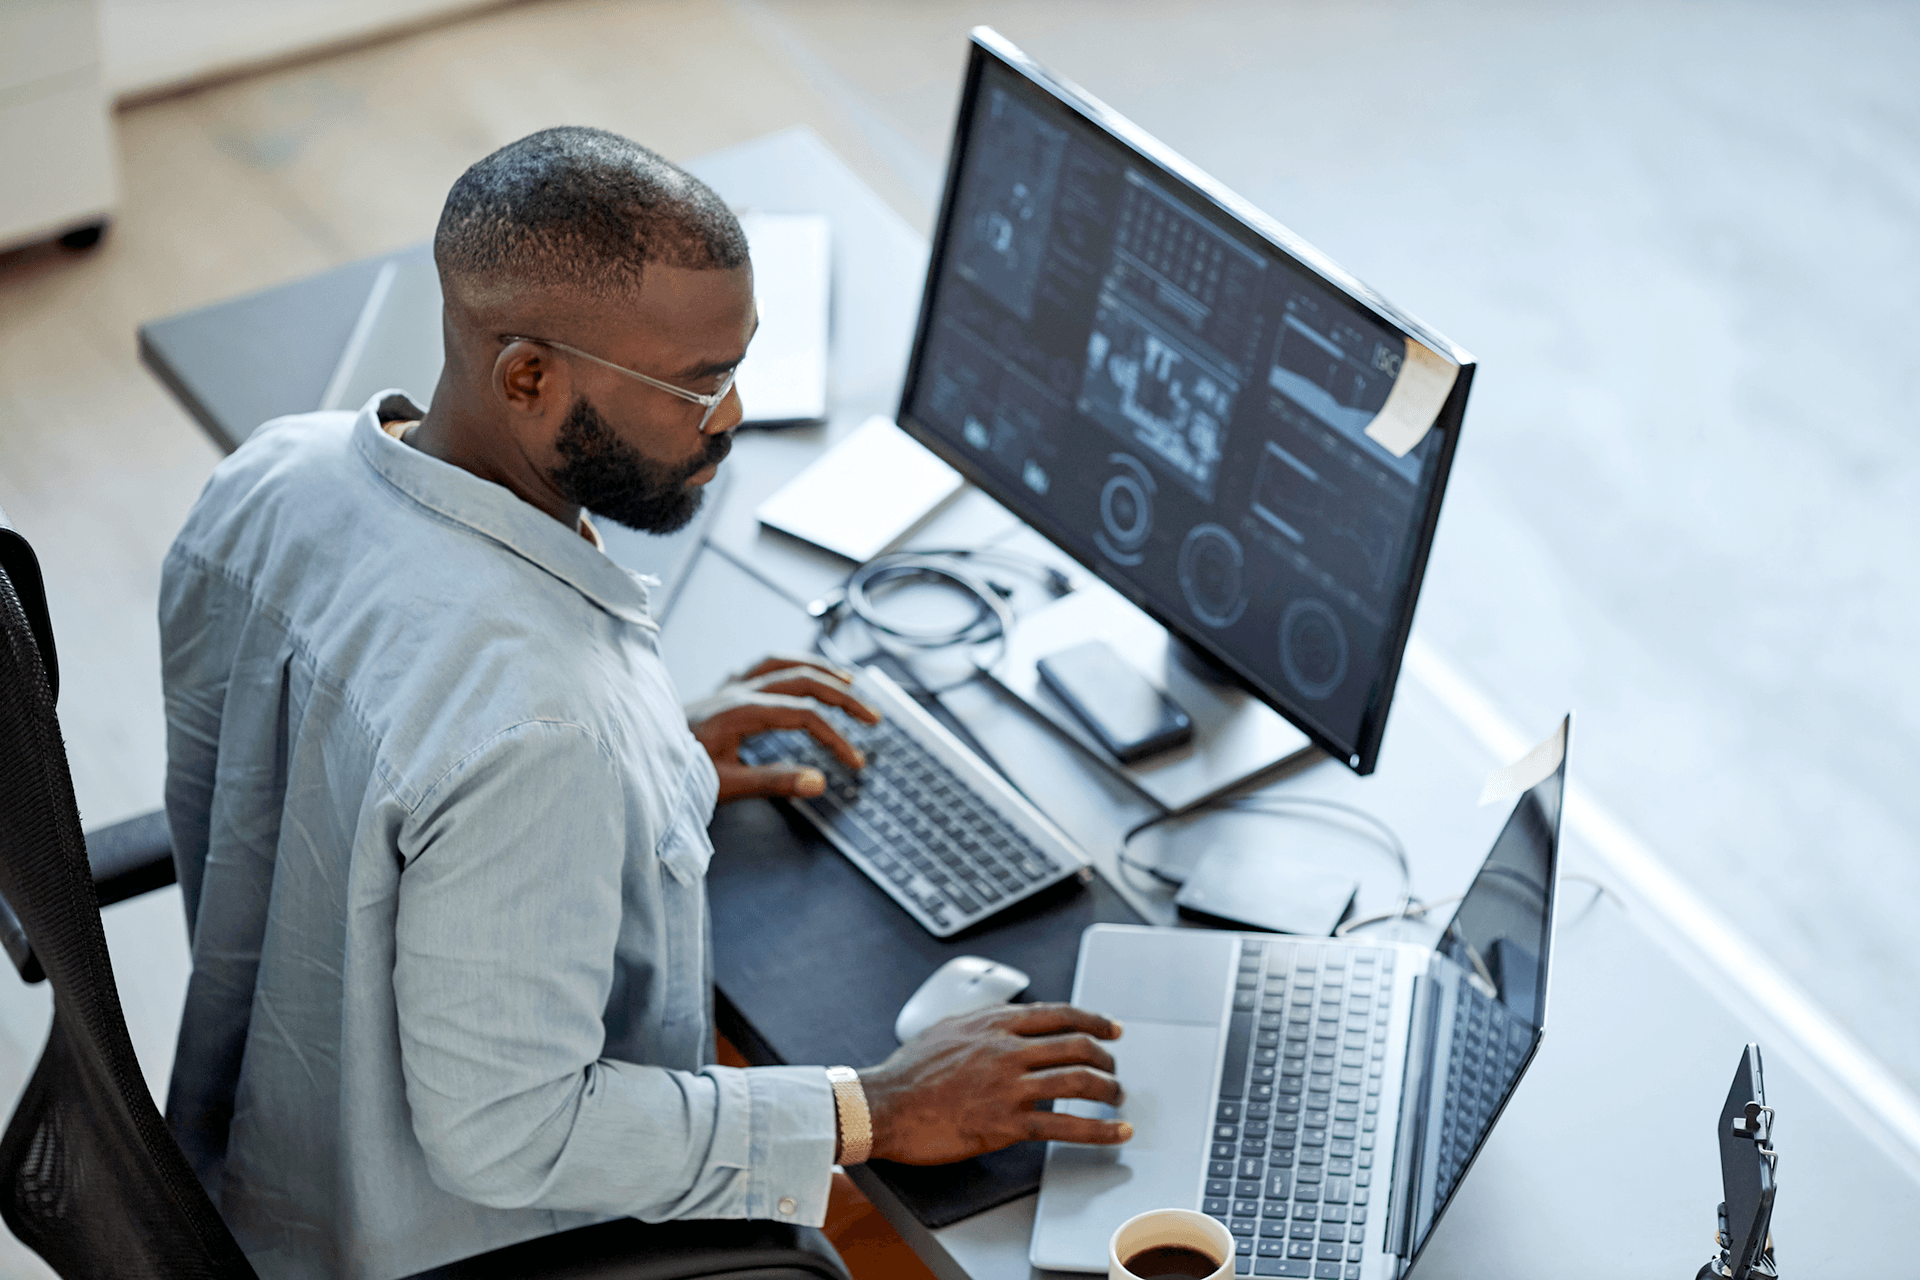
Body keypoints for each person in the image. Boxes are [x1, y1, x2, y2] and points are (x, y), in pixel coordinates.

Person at [159, 126, 1131, 1280]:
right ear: (527, 375)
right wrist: (870, 1105)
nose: (730, 417)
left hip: (254, 1156)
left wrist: (651, 765)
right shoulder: (542, 727)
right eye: (697, 385)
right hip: (439, 1242)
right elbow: (512, 1134)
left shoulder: (274, 473)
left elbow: (372, 769)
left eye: (738, 361)